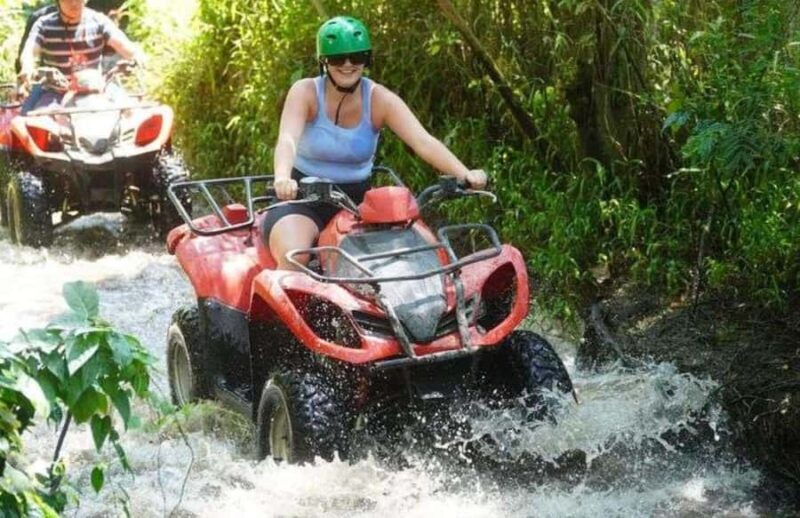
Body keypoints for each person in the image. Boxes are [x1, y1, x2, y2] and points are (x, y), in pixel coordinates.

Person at [267, 15, 488, 270]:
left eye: (357, 57)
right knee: (295, 255)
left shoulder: (379, 99)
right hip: (303, 200)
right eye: (338, 59)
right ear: (324, 62)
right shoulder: (305, 92)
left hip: (359, 206)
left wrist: (465, 174)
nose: (348, 65)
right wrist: (282, 178)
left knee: (412, 259)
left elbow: (423, 141)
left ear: (367, 59)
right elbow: (287, 140)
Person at [16, 0, 145, 113]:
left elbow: (123, 44)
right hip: (56, 92)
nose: (74, 3)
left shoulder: (99, 21)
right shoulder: (44, 24)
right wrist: (27, 67)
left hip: (98, 89)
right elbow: (29, 50)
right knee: (37, 123)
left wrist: (136, 55)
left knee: (132, 114)